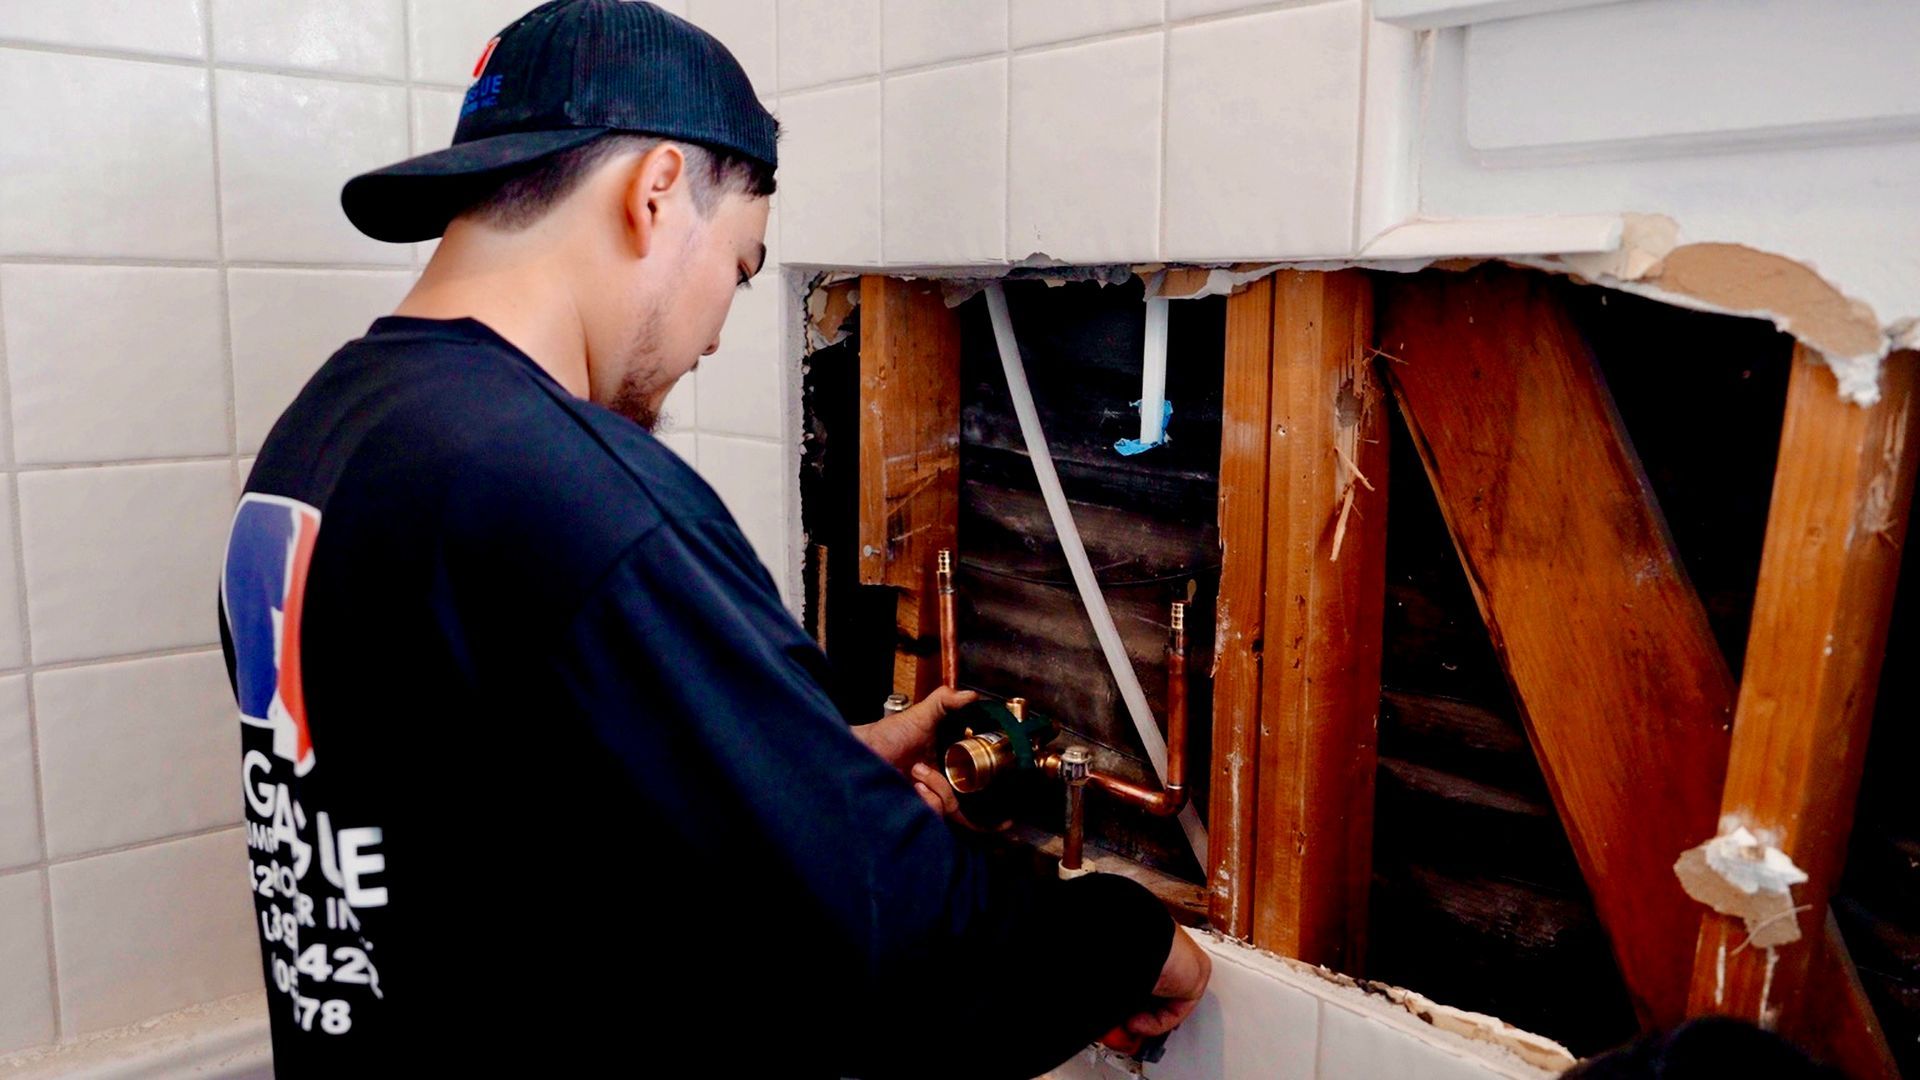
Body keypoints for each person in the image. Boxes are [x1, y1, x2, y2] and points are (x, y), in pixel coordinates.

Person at [216, 2, 1209, 1076]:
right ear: (655, 192)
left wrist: (791, 766)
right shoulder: (572, 491)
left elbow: (489, 804)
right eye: (739, 266)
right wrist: (1129, 939)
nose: (722, 330)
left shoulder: (328, 436)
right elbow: (881, 940)